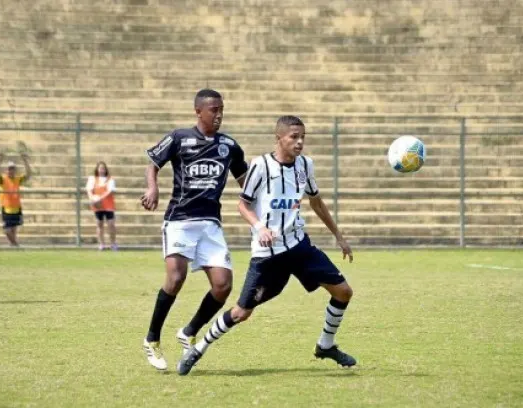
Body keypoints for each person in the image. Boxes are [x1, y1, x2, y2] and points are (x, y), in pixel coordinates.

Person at [177, 115, 356, 376]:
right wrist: (260, 227)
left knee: (343, 292)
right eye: (294, 137)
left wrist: (338, 235)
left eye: (303, 137)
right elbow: (242, 204)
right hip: (268, 255)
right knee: (241, 313)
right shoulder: (261, 166)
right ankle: (198, 348)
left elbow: (316, 202)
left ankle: (325, 345)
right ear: (279, 138)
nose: (300, 142)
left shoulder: (305, 165)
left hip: (299, 246)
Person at [140, 89, 248, 371]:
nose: (219, 114)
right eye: (213, 109)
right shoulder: (179, 138)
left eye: (222, 108)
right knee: (176, 278)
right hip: (179, 220)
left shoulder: (230, 146)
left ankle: (189, 330)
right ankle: (152, 339)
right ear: (198, 111)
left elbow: (245, 180)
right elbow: (153, 163)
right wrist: (153, 187)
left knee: (223, 286)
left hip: (210, 224)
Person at [0, 152, 32, 247]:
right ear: (7, 170)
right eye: (10, 169)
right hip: (6, 208)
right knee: (7, 230)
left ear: (15, 170)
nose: (11, 171)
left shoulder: (17, 179)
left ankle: (13, 246)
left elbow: (28, 175)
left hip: (16, 207)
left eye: (13, 169)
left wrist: (25, 161)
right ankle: (15, 244)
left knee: (14, 229)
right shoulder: (3, 179)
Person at [86, 161, 118, 251]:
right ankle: (101, 244)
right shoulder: (92, 179)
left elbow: (110, 191)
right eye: (100, 168)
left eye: (103, 168)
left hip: (108, 205)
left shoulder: (110, 179)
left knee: (111, 224)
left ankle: (113, 243)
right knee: (99, 224)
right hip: (98, 206)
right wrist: (93, 198)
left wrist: (100, 198)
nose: (101, 170)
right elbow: (89, 190)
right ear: (97, 169)